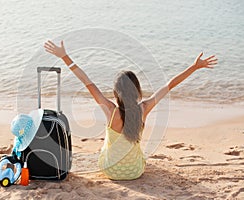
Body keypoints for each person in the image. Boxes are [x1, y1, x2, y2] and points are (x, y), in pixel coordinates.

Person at [44, 40, 217, 180]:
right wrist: (194, 67)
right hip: (135, 172)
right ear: (137, 90)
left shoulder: (111, 110)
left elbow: (86, 80)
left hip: (110, 171)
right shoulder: (145, 108)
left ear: (116, 92)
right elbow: (170, 85)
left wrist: (64, 56)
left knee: (106, 147)